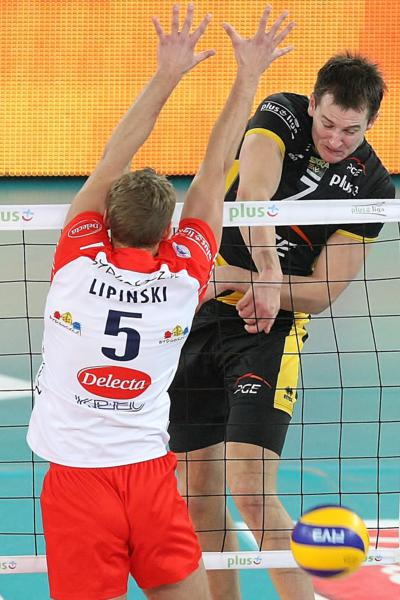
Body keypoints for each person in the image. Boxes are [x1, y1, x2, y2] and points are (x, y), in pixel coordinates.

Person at [26, 5, 294, 600]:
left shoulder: (76, 263)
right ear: (166, 232)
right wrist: (248, 75)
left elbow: (112, 159)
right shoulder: (182, 280)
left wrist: (167, 72)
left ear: (105, 223)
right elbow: (213, 171)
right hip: (150, 479)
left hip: (77, 482)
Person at [168, 52, 395, 599]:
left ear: (370, 124)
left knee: (251, 493)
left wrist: (244, 278)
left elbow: (322, 291)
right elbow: (253, 196)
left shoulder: (373, 186)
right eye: (328, 123)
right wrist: (267, 272)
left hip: (271, 330)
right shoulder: (281, 115)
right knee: (196, 495)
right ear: (313, 104)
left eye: (351, 131)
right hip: (197, 314)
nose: (336, 139)